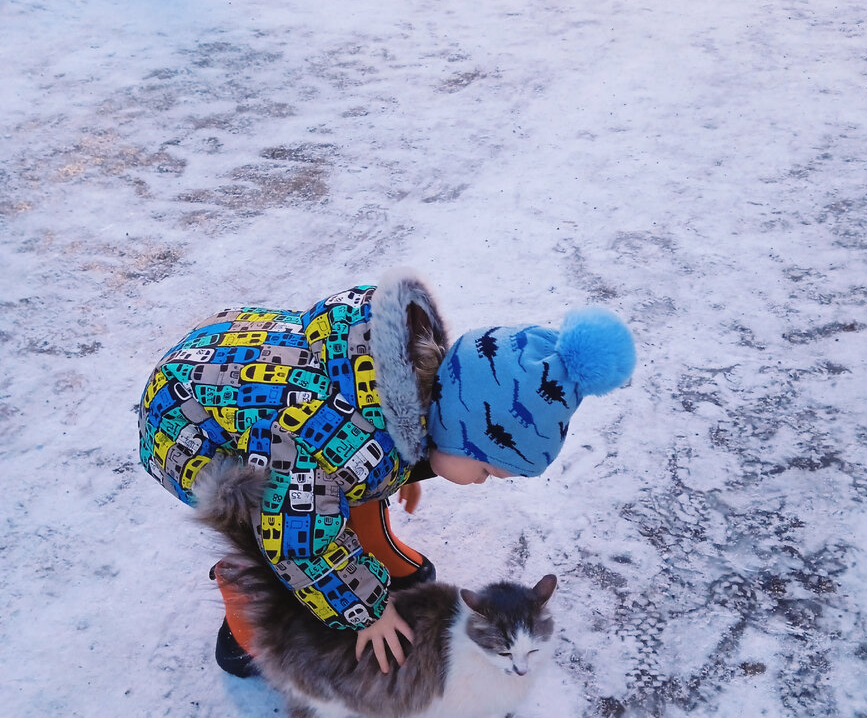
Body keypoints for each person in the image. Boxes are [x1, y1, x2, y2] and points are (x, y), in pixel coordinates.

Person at [138, 267, 635, 673]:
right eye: (485, 471)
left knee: (351, 473)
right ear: (462, 433)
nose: (480, 483)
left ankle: (367, 539)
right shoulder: (328, 434)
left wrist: (404, 475)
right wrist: (366, 611)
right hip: (187, 428)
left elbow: (401, 445)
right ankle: (245, 609)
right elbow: (300, 541)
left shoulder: (410, 385)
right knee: (278, 523)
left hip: (237, 360)